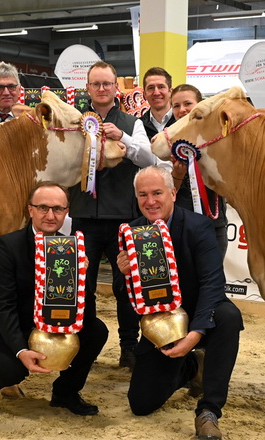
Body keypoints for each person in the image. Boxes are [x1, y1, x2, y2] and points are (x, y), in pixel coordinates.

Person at [118, 166, 243, 440]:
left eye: (157, 193)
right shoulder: (133, 232)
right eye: (143, 195)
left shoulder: (199, 226)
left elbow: (213, 284)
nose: (150, 201)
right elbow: (127, 301)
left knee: (228, 315)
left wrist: (195, 334)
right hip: (162, 324)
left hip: (202, 316)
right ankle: (192, 367)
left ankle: (209, 411)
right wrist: (125, 275)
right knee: (141, 404)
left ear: (173, 193)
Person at [0, 182, 109, 416]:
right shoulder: (8, 245)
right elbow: (2, 305)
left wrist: (82, 279)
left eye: (58, 209)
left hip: (53, 323)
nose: (51, 215)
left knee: (96, 331)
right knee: (11, 368)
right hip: (6, 326)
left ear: (67, 212)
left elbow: (86, 311)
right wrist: (21, 350)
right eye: (43, 208)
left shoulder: (74, 247)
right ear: (30, 210)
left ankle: (66, 392)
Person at [70, 61, 170, 370]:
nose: (101, 89)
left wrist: (122, 138)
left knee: (127, 284)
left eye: (107, 84)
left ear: (116, 88)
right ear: (87, 88)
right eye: (95, 84)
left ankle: (129, 346)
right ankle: (84, 342)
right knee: (81, 285)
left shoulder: (131, 122)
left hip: (121, 218)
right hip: (83, 215)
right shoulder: (74, 121)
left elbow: (149, 158)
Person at [166, 84, 229, 257]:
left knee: (213, 278)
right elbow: (163, 192)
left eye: (187, 104)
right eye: (176, 106)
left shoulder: (217, 136)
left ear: (199, 105)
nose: (182, 110)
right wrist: (177, 176)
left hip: (214, 224)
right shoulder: (166, 141)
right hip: (179, 225)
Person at [138, 67, 174, 140]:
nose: (156, 93)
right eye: (151, 88)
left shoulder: (182, 122)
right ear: (144, 94)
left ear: (170, 91)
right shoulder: (138, 126)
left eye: (161, 87)